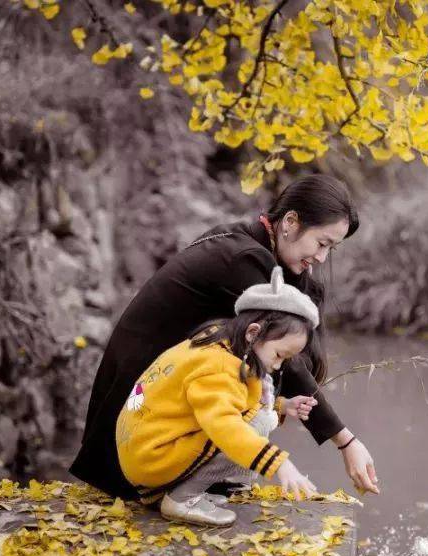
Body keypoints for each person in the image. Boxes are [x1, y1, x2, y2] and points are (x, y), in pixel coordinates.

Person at [71, 174, 380, 499]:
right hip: (138, 404)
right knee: (256, 416)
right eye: (321, 243)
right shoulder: (244, 260)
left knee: (254, 396)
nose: (321, 258)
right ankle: (178, 491)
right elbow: (284, 356)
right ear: (290, 221)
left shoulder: (247, 243)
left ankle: (192, 480)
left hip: (152, 394)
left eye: (331, 248)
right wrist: (345, 441)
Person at [117, 267, 319, 526]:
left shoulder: (219, 341)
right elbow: (225, 424)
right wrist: (280, 464)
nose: (279, 366)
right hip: (152, 457)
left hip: (147, 448)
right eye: (279, 355)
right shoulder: (220, 366)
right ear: (253, 332)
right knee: (253, 426)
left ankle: (177, 491)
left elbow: (229, 400)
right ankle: (182, 499)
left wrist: (281, 406)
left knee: (256, 417)